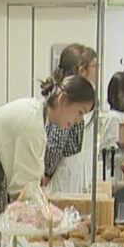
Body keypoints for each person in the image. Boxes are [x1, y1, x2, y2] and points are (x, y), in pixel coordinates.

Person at [0, 75, 95, 210]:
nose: (78, 120)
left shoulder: (36, 115)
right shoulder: (31, 124)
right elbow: (25, 194)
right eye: (80, 112)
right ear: (62, 99)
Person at [43, 43, 98, 191]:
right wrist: (47, 173)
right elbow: (55, 143)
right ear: (82, 69)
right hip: (62, 175)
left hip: (70, 171)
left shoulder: (74, 97)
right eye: (94, 66)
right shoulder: (69, 100)